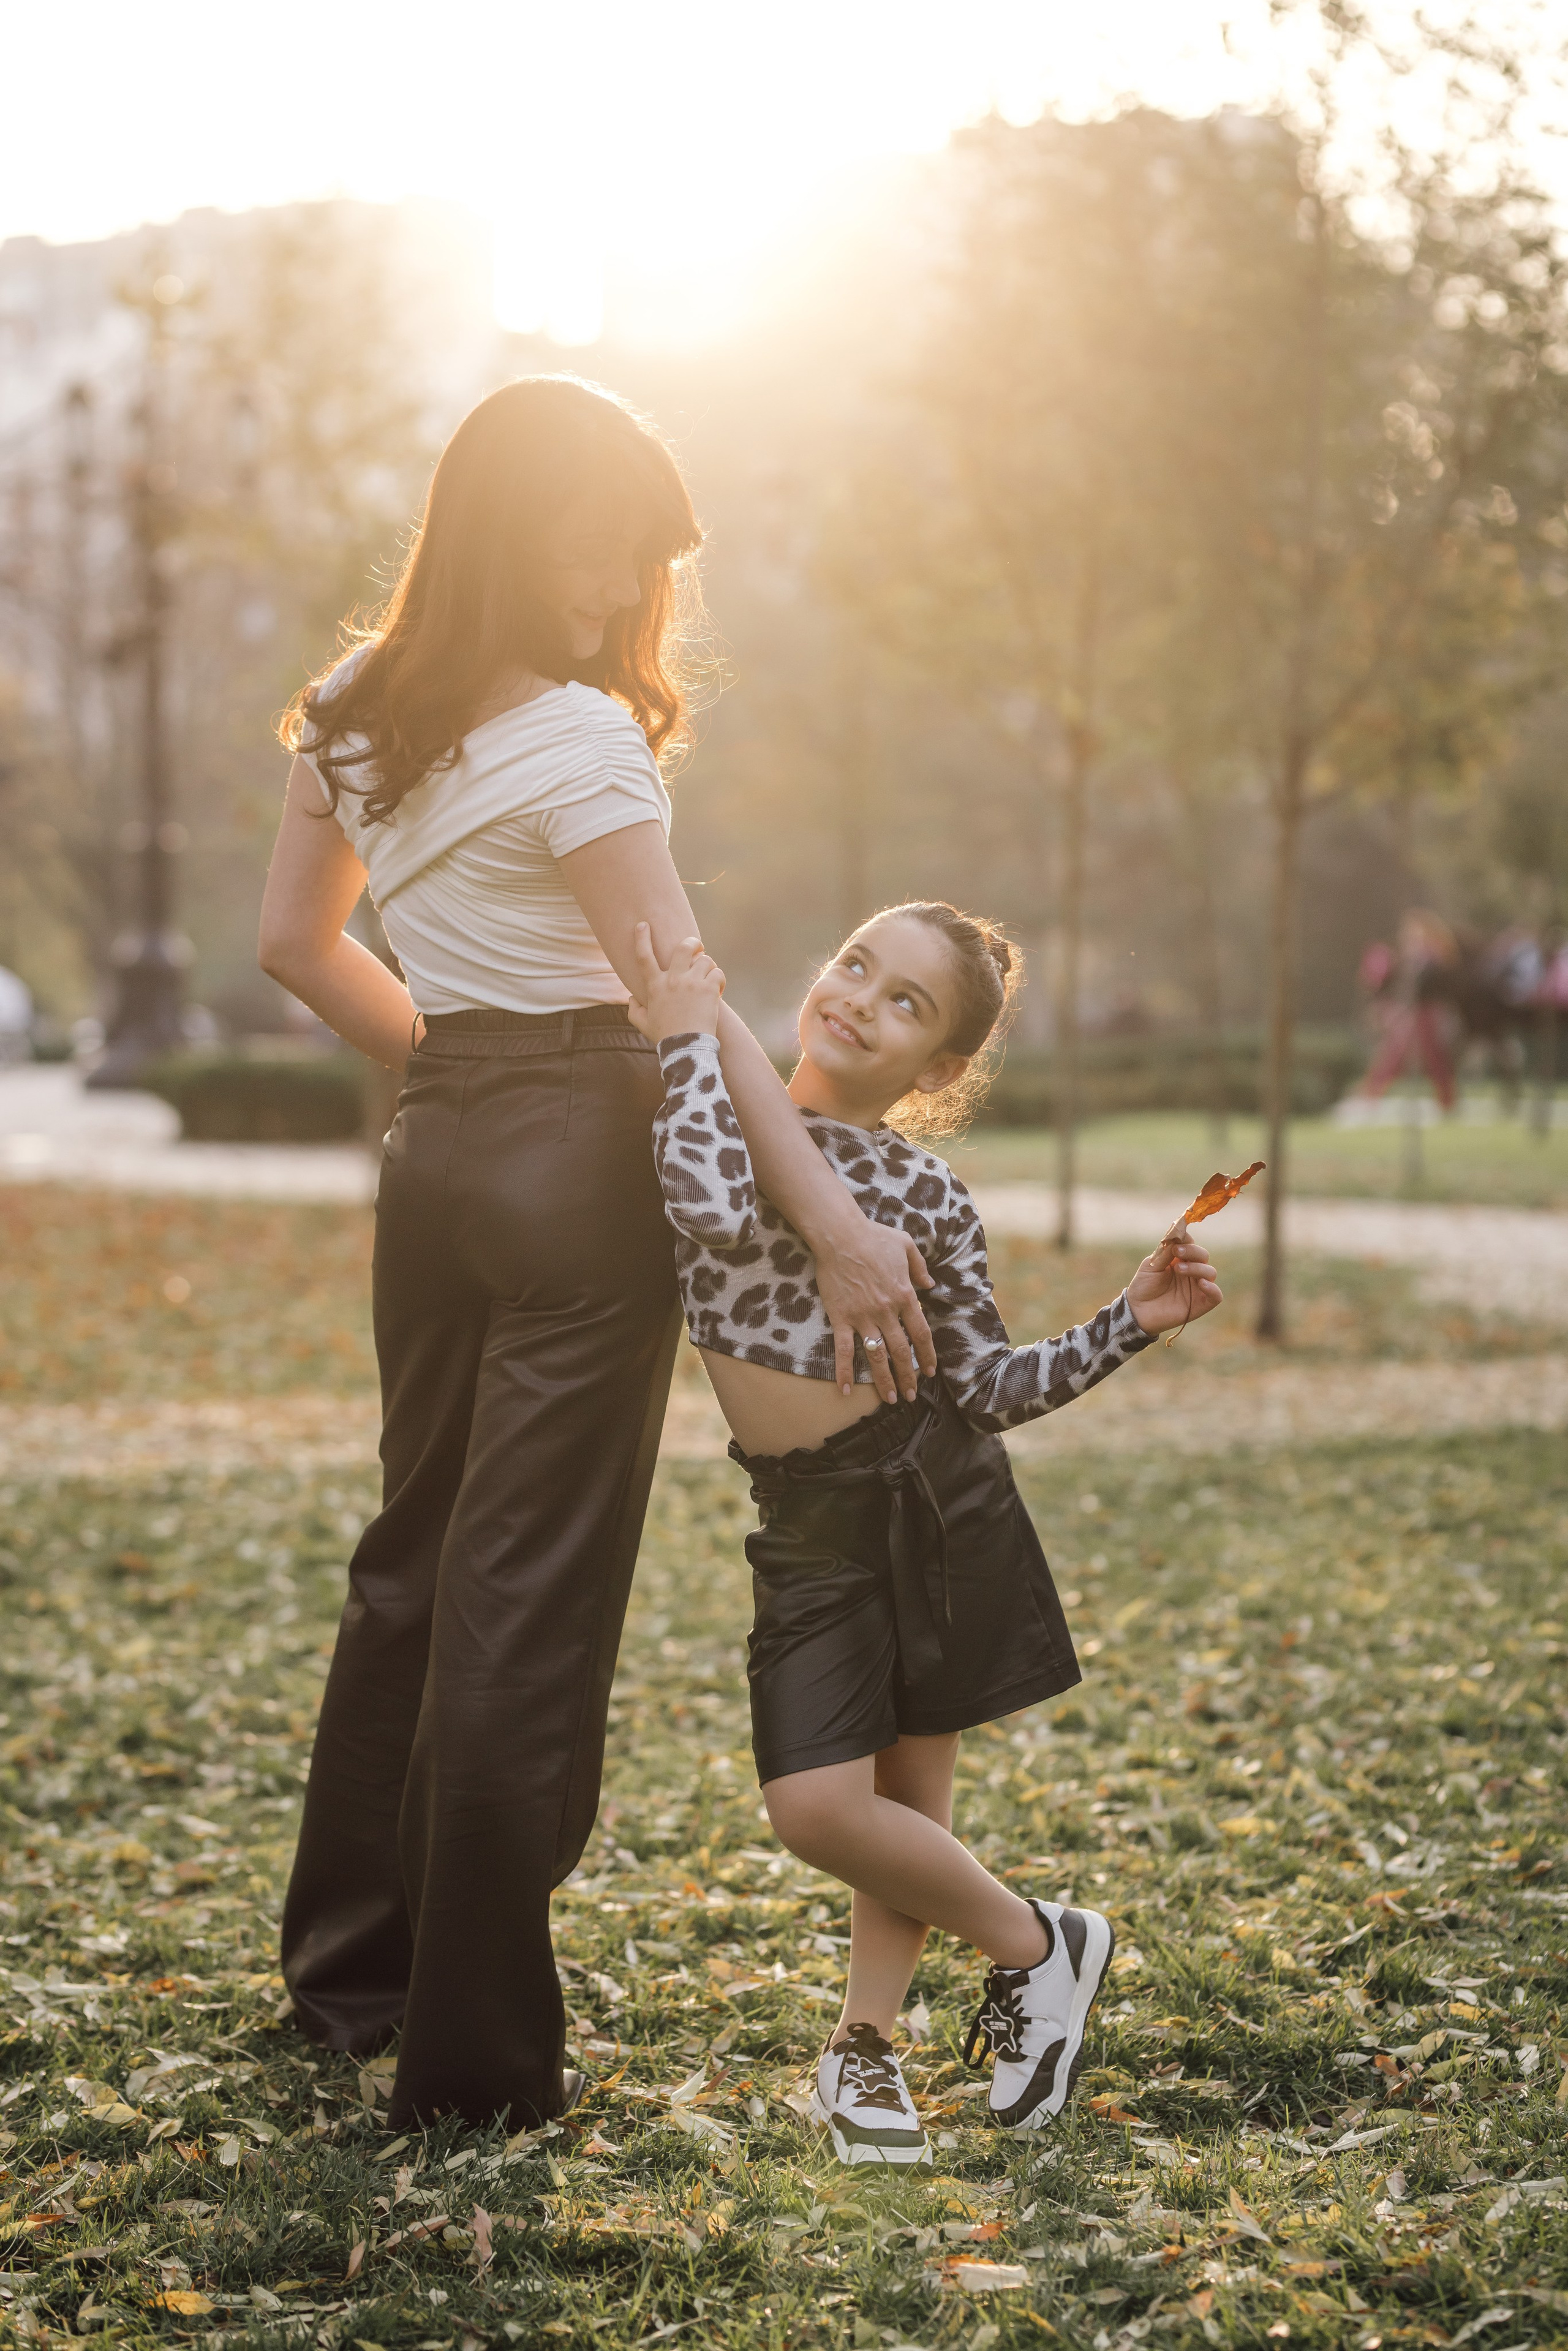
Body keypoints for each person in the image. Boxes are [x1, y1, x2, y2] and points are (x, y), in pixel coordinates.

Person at [256, 376, 940, 2132]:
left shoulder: (350, 710)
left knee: (413, 1550)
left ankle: (351, 1973)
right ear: (507, 523)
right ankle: (474, 2068)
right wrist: (838, 1214)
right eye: (601, 537)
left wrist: (467, 1080)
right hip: (581, 1156)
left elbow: (295, 946)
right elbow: (689, 1016)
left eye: (646, 551)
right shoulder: (577, 737)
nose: (625, 575)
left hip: (442, 1149)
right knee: (522, 1600)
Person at [630, 902, 1223, 2164]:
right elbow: (707, 1206)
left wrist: (1129, 1317)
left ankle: (866, 2057)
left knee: (906, 1803)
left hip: (935, 1501)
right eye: (854, 964)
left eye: (905, 1002)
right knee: (814, 1804)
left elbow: (987, 1388)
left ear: (939, 1069)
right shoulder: (723, 1108)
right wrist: (689, 1035)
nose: (858, 998)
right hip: (803, 1522)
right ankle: (1038, 1943)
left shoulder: (927, 1190)